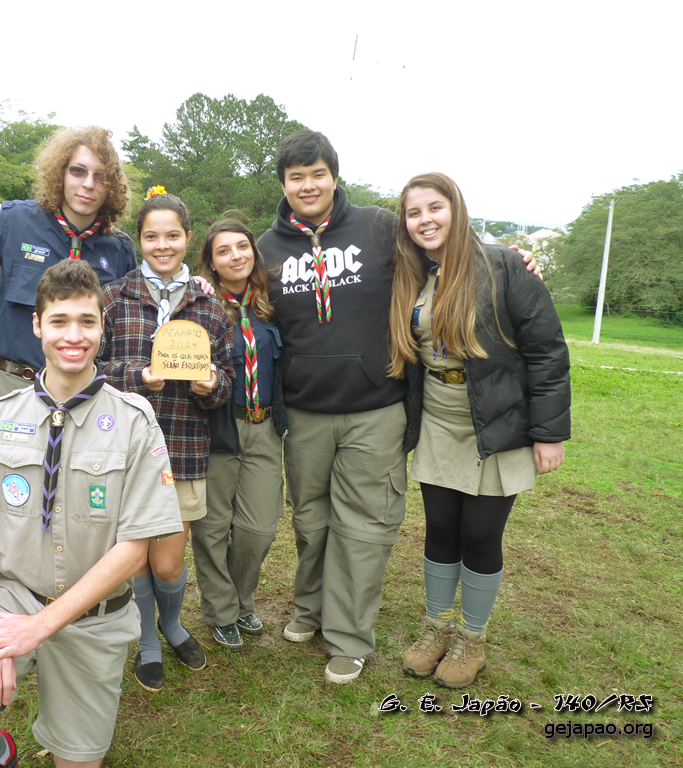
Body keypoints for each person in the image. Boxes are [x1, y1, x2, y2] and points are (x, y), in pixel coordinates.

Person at [256, 129, 539, 685]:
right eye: (296, 177)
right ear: (283, 185)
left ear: (334, 176)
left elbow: (445, 251)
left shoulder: (379, 227)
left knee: (364, 526)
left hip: (376, 407)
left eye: (318, 174)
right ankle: (310, 608)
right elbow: (242, 299)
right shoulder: (267, 247)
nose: (308, 185)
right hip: (306, 411)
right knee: (311, 521)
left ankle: (348, 636)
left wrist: (509, 260)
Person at [0, 259, 182, 768]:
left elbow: (135, 551)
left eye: (87, 321)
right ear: (37, 325)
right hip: (13, 597)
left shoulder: (135, 422)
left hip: (93, 616)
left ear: (102, 326)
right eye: (59, 321)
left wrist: (39, 627)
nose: (74, 336)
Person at [387, 172, 570, 688]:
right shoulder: (412, 273)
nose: (425, 220)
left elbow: (547, 351)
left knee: (481, 533)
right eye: (414, 213)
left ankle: (472, 637)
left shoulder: (505, 265)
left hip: (497, 421)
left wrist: (549, 433)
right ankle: (436, 628)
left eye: (434, 208)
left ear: (457, 209)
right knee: (441, 528)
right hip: (439, 420)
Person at [98, 189, 234, 691]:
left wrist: (211, 386)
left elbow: (227, 382)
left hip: (183, 448)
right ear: (139, 240)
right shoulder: (113, 298)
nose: (162, 245)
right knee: (134, 556)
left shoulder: (210, 307)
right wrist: (137, 376)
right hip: (122, 452)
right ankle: (148, 641)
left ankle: (171, 623)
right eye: (152, 236)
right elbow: (90, 369)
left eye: (172, 236)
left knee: (169, 562)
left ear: (187, 238)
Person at [0, 126, 138, 409]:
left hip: (87, 394)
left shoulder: (119, 249)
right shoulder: (14, 221)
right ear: (60, 173)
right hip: (14, 384)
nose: (89, 184)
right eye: (78, 171)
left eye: (100, 176)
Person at [192, 219, 286, 651]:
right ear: (211, 262)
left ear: (254, 251)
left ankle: (241, 598)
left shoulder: (272, 301)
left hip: (263, 427)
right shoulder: (199, 304)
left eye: (242, 246)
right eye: (223, 250)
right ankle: (221, 610)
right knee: (213, 527)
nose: (235, 256)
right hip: (218, 426)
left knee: (259, 528)